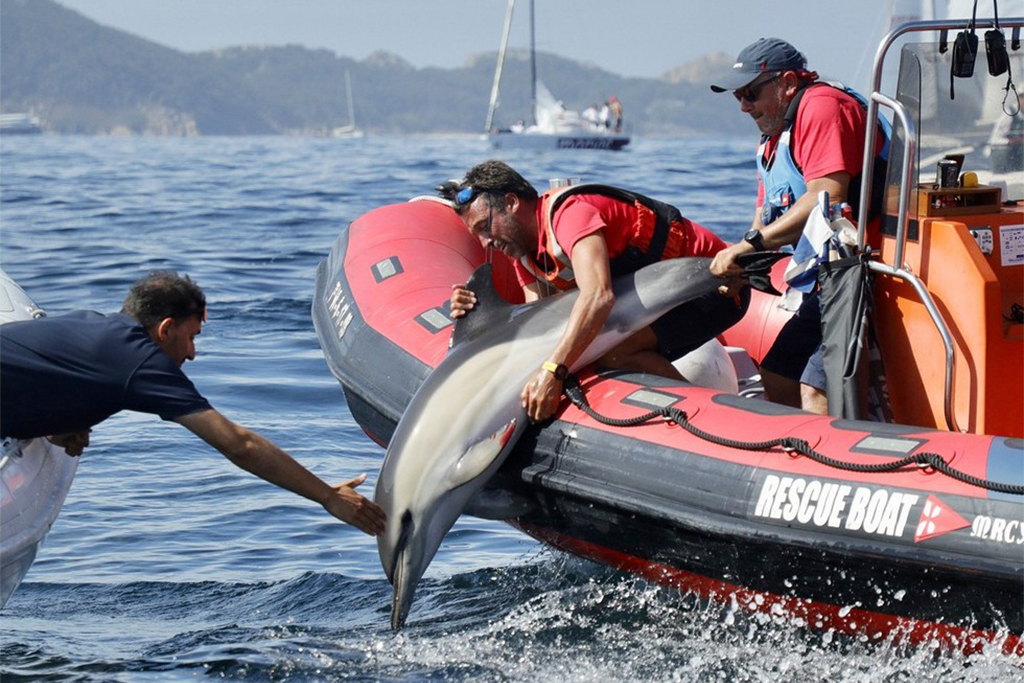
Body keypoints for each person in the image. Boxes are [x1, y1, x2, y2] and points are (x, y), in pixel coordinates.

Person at [0, 270, 387, 536]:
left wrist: (65, 418)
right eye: (192, 337)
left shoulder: (92, 324)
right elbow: (239, 444)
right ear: (165, 329)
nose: (192, 353)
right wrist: (327, 496)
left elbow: (43, 370)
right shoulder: (140, 361)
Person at [439, 160, 749, 423]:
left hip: (714, 286)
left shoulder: (570, 216)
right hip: (657, 304)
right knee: (581, 355)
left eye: (484, 227)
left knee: (616, 354)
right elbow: (538, 324)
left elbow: (599, 296)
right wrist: (476, 309)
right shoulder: (525, 256)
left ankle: (708, 419)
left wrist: (554, 371)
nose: (485, 243)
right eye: (476, 235)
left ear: (511, 203)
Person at [707, 38, 888, 415]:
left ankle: (829, 446)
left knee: (815, 387)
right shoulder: (771, 141)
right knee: (778, 374)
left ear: (788, 83)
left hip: (859, 274)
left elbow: (827, 197)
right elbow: (764, 219)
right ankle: (793, 443)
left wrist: (749, 245)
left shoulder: (823, 107)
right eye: (738, 96)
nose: (743, 106)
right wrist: (742, 265)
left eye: (750, 93)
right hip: (826, 277)